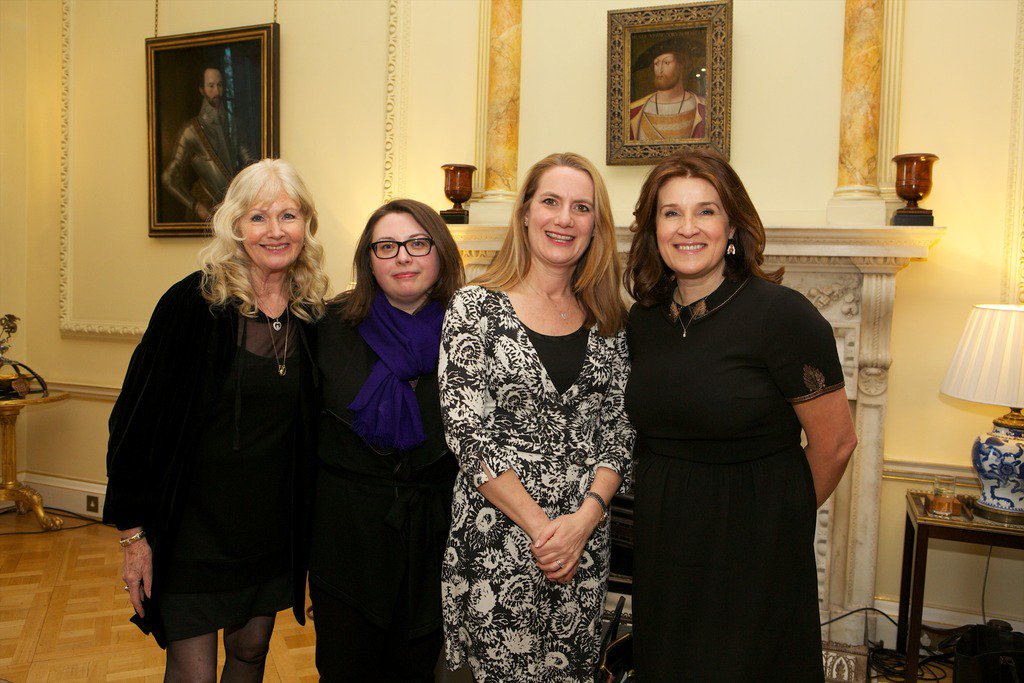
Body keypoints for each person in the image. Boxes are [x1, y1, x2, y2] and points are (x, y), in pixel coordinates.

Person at [624, 148, 857, 681]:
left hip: (754, 541)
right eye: (671, 212)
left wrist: (776, 518)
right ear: (653, 229)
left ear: (732, 225)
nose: (688, 228)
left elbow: (837, 442)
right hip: (665, 540)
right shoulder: (645, 320)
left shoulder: (782, 314)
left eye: (706, 211)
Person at [103, 159, 328, 680]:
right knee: (195, 672)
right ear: (234, 226)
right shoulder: (193, 304)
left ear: (306, 226)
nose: (275, 231)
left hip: (269, 530)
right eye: (258, 217)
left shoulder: (313, 315)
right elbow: (135, 422)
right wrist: (133, 537)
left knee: (250, 655)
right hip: (191, 528)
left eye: (289, 216)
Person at [439, 152, 635, 682]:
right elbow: (468, 432)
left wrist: (583, 523)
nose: (563, 219)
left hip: (585, 547)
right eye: (550, 201)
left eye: (580, 207)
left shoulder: (610, 319)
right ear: (525, 212)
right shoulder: (474, 308)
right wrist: (547, 531)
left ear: (596, 226)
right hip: (499, 544)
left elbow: (620, 432)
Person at [309, 199, 465, 681]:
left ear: (440, 253)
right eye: (387, 246)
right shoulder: (327, 327)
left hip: (434, 541)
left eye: (418, 243)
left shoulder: (472, 330)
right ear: (368, 257)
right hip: (346, 538)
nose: (403, 257)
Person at [162, 66, 258, 222]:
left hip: (233, 208)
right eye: (211, 86)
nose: (217, 92)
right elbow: (169, 177)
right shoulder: (190, 130)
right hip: (204, 205)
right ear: (202, 90)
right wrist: (196, 206)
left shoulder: (236, 125)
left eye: (220, 85)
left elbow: (252, 165)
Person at [628, 39, 707, 141]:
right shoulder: (635, 111)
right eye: (656, 63)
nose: (660, 69)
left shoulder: (703, 107)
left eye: (666, 62)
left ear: (681, 66)